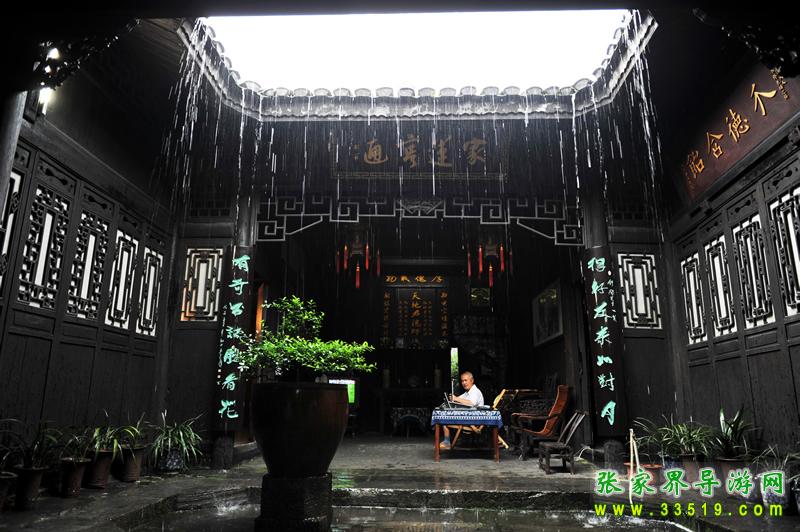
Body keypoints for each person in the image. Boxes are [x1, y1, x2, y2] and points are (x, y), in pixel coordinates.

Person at [439, 371, 484, 449]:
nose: (464, 383)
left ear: (472, 380)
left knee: (445, 418)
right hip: (468, 417)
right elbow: (458, 399)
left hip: (474, 420)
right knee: (445, 413)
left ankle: (447, 442)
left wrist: (456, 399)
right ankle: (448, 441)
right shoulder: (468, 392)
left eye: (466, 380)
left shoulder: (475, 391)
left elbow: (471, 403)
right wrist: (452, 399)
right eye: (462, 381)